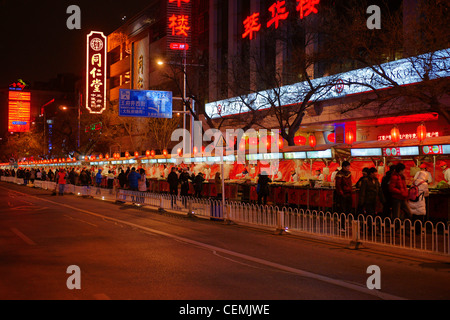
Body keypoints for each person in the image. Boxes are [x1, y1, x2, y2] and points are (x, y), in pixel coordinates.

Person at [335, 161, 353, 231]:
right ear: (344, 167)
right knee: (342, 211)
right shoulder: (339, 174)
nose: (348, 168)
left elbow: (350, 183)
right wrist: (341, 193)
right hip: (342, 195)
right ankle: (341, 225)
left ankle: (343, 224)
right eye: (347, 166)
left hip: (348, 194)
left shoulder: (349, 173)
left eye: (349, 166)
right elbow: (338, 185)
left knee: (348, 211)